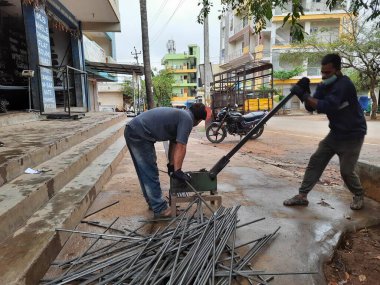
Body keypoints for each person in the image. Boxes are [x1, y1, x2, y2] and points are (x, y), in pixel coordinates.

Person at [283, 53, 367, 210]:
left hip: (353, 135)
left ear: (337, 70)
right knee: (316, 160)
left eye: (327, 72)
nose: (324, 75)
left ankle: (359, 194)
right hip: (335, 134)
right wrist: (304, 90)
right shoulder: (323, 86)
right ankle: (302, 196)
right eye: (322, 72)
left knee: (346, 171)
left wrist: (304, 95)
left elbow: (327, 106)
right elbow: (311, 107)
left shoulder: (345, 85)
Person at [124, 103, 207, 218]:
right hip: (139, 133)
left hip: (134, 130)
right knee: (150, 172)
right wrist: (178, 171)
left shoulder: (182, 115)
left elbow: (174, 143)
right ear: (198, 121)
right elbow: (181, 146)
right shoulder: (187, 119)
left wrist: (172, 166)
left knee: (145, 172)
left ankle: (153, 203)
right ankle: (160, 209)